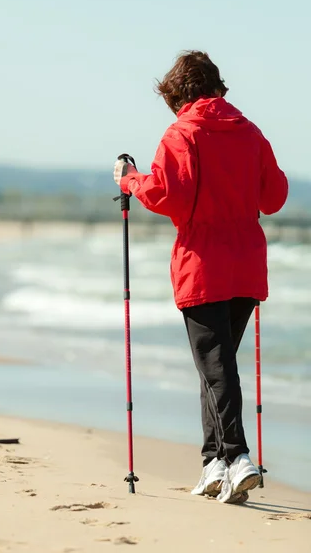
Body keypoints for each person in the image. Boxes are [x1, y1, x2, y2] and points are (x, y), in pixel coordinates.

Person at [113, 50, 288, 505]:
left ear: (180, 94)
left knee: (216, 369)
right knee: (217, 367)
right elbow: (275, 197)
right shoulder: (250, 132)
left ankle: (238, 456)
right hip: (246, 263)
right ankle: (214, 464)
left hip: (203, 264)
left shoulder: (182, 132)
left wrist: (131, 180)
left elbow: (167, 194)